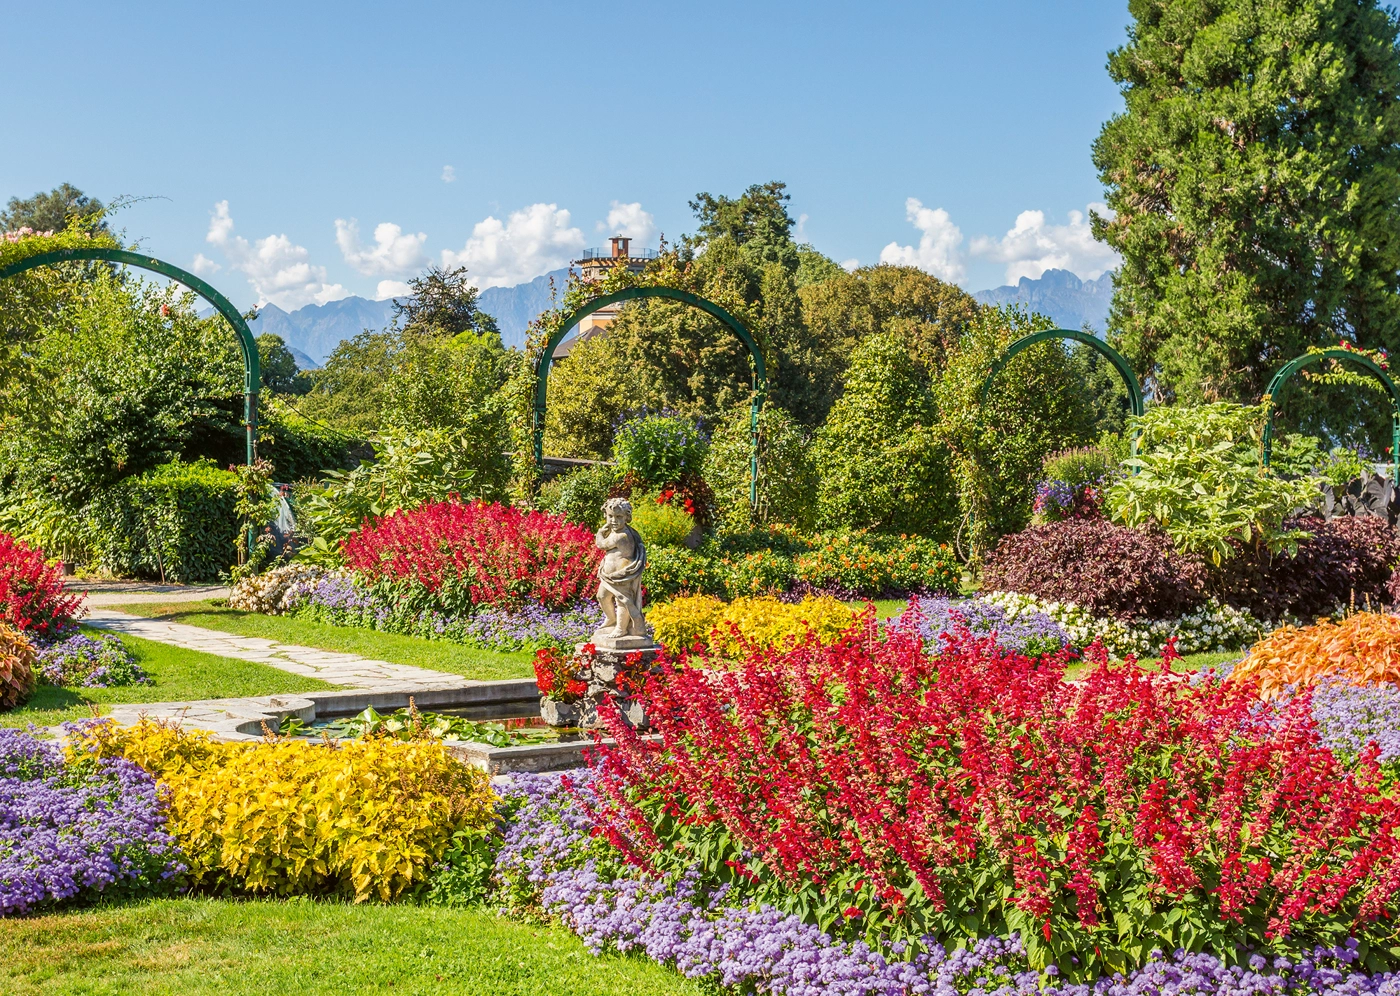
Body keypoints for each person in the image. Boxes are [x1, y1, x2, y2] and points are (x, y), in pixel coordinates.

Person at [593, 497, 650, 645]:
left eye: (618, 517)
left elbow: (601, 545)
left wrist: (600, 532)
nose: (613, 520)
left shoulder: (621, 536)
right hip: (608, 575)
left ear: (627, 517)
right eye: (610, 516)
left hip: (622, 575)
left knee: (622, 601)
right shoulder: (615, 531)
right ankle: (611, 619)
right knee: (602, 596)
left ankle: (621, 628)